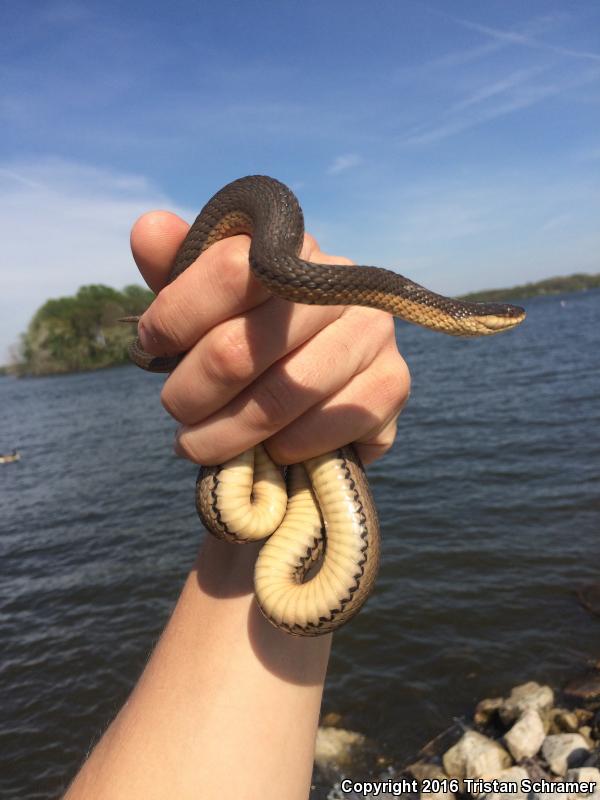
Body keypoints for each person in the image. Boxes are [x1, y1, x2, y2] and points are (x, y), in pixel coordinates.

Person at [64, 207, 411, 800]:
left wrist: (313, 415)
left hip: (268, 516)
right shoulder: (272, 226)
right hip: (271, 507)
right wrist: (315, 409)